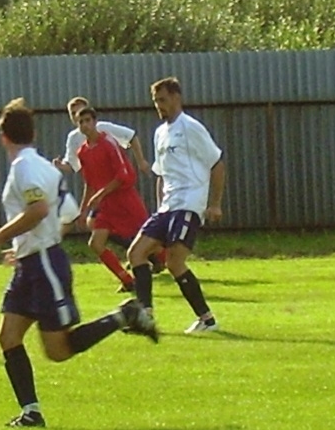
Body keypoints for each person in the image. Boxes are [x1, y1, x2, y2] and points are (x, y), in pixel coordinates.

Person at [0, 97, 158, 428]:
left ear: (4, 137)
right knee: (8, 337)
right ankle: (32, 413)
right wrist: (28, 243)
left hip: (44, 267)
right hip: (33, 261)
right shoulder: (44, 166)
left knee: (58, 350)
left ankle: (126, 314)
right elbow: (68, 213)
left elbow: (39, 210)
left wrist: (0, 237)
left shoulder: (24, 168)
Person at [126, 77, 226, 335]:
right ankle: (145, 315)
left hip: (189, 203)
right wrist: (160, 209)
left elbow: (217, 163)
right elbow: (161, 174)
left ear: (176, 98)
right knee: (135, 253)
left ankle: (207, 320)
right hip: (168, 208)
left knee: (174, 262)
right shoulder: (159, 133)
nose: (159, 106)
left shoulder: (191, 128)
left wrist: (214, 204)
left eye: (163, 100)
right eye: (156, 101)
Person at [75, 106, 152, 293]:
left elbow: (123, 175)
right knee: (96, 244)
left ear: (95, 122)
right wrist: (83, 209)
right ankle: (127, 280)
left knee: (150, 239)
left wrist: (100, 194)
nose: (85, 125)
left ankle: (172, 265)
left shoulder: (109, 143)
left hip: (125, 199)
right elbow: (89, 183)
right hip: (107, 205)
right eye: (80, 122)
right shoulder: (82, 152)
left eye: (87, 120)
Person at [52, 96, 150, 175]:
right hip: (97, 181)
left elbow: (131, 136)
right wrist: (60, 165)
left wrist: (141, 161)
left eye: (81, 111)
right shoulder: (73, 138)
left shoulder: (103, 128)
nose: (78, 115)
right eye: (73, 113)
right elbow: (73, 165)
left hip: (117, 176)